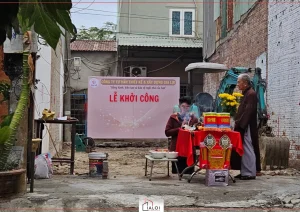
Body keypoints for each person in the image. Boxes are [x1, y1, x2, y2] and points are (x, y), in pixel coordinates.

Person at [230, 73, 261, 180]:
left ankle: (250, 172)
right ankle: (244, 171)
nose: (237, 84)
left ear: (245, 82)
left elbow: (249, 111)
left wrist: (240, 124)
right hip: (244, 125)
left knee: (248, 148)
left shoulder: (251, 94)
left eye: (239, 82)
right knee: (243, 148)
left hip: (247, 126)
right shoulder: (247, 93)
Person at [165, 96, 199, 174]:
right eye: (183, 106)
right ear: (179, 107)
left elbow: (197, 133)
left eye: (187, 107)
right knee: (176, 174)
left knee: (188, 173)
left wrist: (191, 130)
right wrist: (180, 129)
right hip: (176, 149)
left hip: (189, 150)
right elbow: (167, 132)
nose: (185, 108)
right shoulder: (173, 118)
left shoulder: (194, 119)